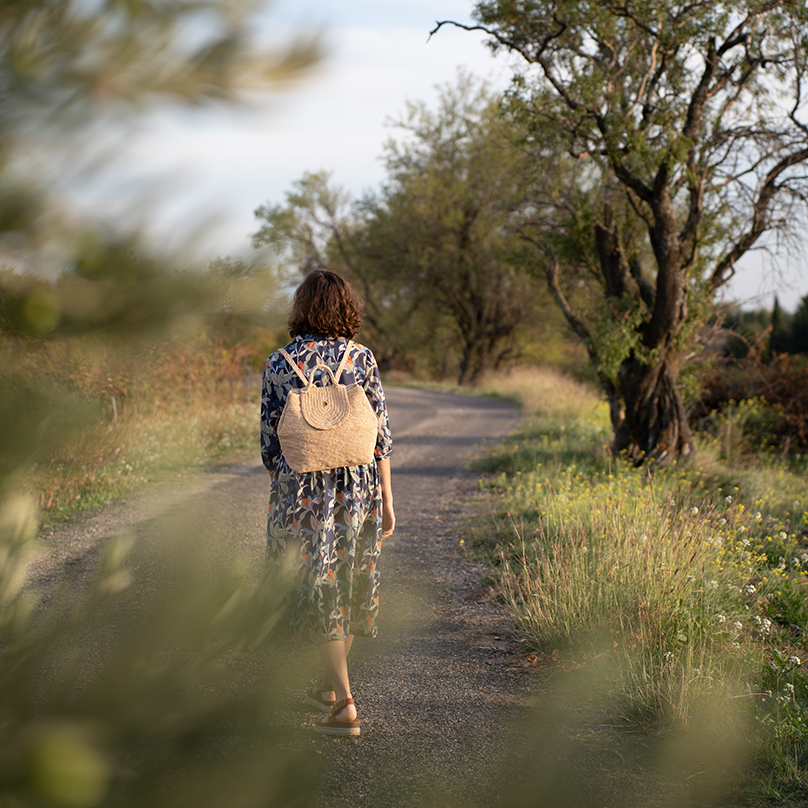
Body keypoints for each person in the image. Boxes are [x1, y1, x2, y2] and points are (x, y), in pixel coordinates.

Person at [260, 269, 395, 737]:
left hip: (300, 493)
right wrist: (389, 502)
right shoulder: (363, 358)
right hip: (358, 491)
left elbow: (269, 447)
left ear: (301, 307)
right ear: (345, 307)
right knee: (351, 580)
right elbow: (381, 439)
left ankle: (344, 705)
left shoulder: (279, 362)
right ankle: (330, 686)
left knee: (318, 583)